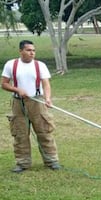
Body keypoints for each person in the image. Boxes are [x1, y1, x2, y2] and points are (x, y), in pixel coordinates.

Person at [1, 40, 60, 173]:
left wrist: (48, 98)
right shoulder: (11, 65)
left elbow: (46, 84)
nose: (32, 53)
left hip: (37, 101)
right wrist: (17, 90)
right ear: (21, 51)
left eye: (33, 50)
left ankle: (51, 161)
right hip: (18, 103)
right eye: (28, 50)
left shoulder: (40, 66)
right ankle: (23, 163)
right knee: (20, 133)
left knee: (44, 131)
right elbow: (4, 84)